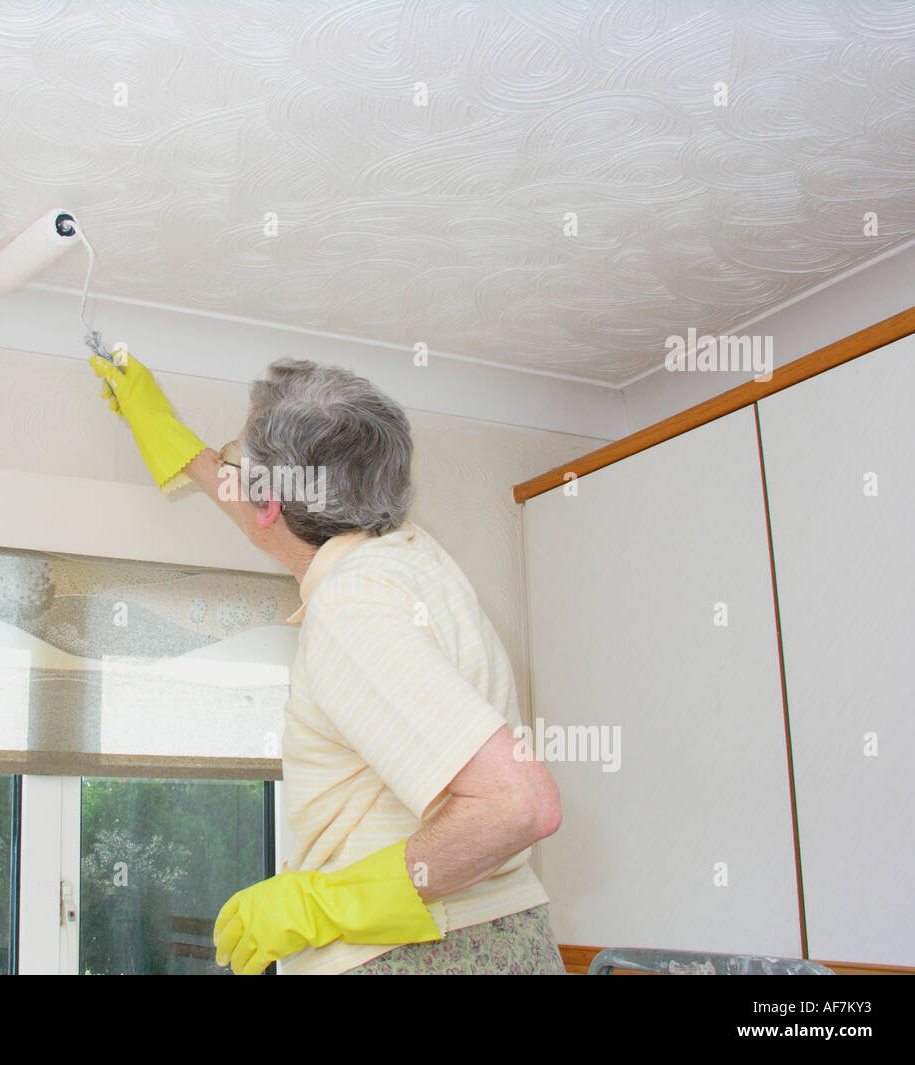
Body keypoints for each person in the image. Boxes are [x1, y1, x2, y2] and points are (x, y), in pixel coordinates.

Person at [89, 348, 565, 975]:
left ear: (272, 504)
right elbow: (275, 514)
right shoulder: (405, 554)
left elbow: (519, 803)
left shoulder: (351, 607)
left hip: (423, 955)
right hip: (491, 937)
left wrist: (322, 904)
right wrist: (164, 430)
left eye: (241, 466)